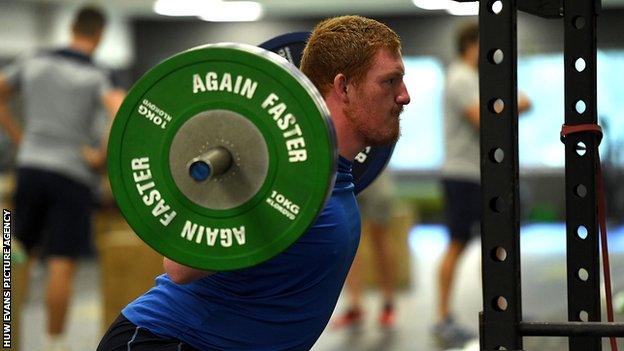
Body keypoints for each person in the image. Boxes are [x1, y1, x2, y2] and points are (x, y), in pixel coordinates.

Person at [97, 15, 410, 351]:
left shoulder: (335, 176)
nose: (404, 96)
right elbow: (179, 268)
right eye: (390, 81)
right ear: (343, 87)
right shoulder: (279, 178)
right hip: (166, 341)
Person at [0, 6, 125, 351]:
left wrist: (20, 138)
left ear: (71, 28)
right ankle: (55, 345)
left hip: (29, 167)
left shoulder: (32, 60)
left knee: (14, 252)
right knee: (61, 261)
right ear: (99, 35)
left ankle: (8, 337)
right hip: (71, 175)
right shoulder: (99, 73)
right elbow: (120, 110)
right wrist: (100, 155)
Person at [434, 22, 530, 346]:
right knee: (457, 244)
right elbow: (484, 116)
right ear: (470, 46)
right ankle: (443, 317)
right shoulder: (459, 77)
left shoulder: (476, 79)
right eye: (484, 45)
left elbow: (512, 105)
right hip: (461, 175)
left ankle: (502, 310)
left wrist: (507, 102)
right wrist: (511, 103)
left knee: (497, 244)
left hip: (482, 175)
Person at [332, 170, 398, 328]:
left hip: (375, 170)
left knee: (380, 237)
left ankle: (388, 304)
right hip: (346, 171)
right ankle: (355, 306)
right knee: (350, 238)